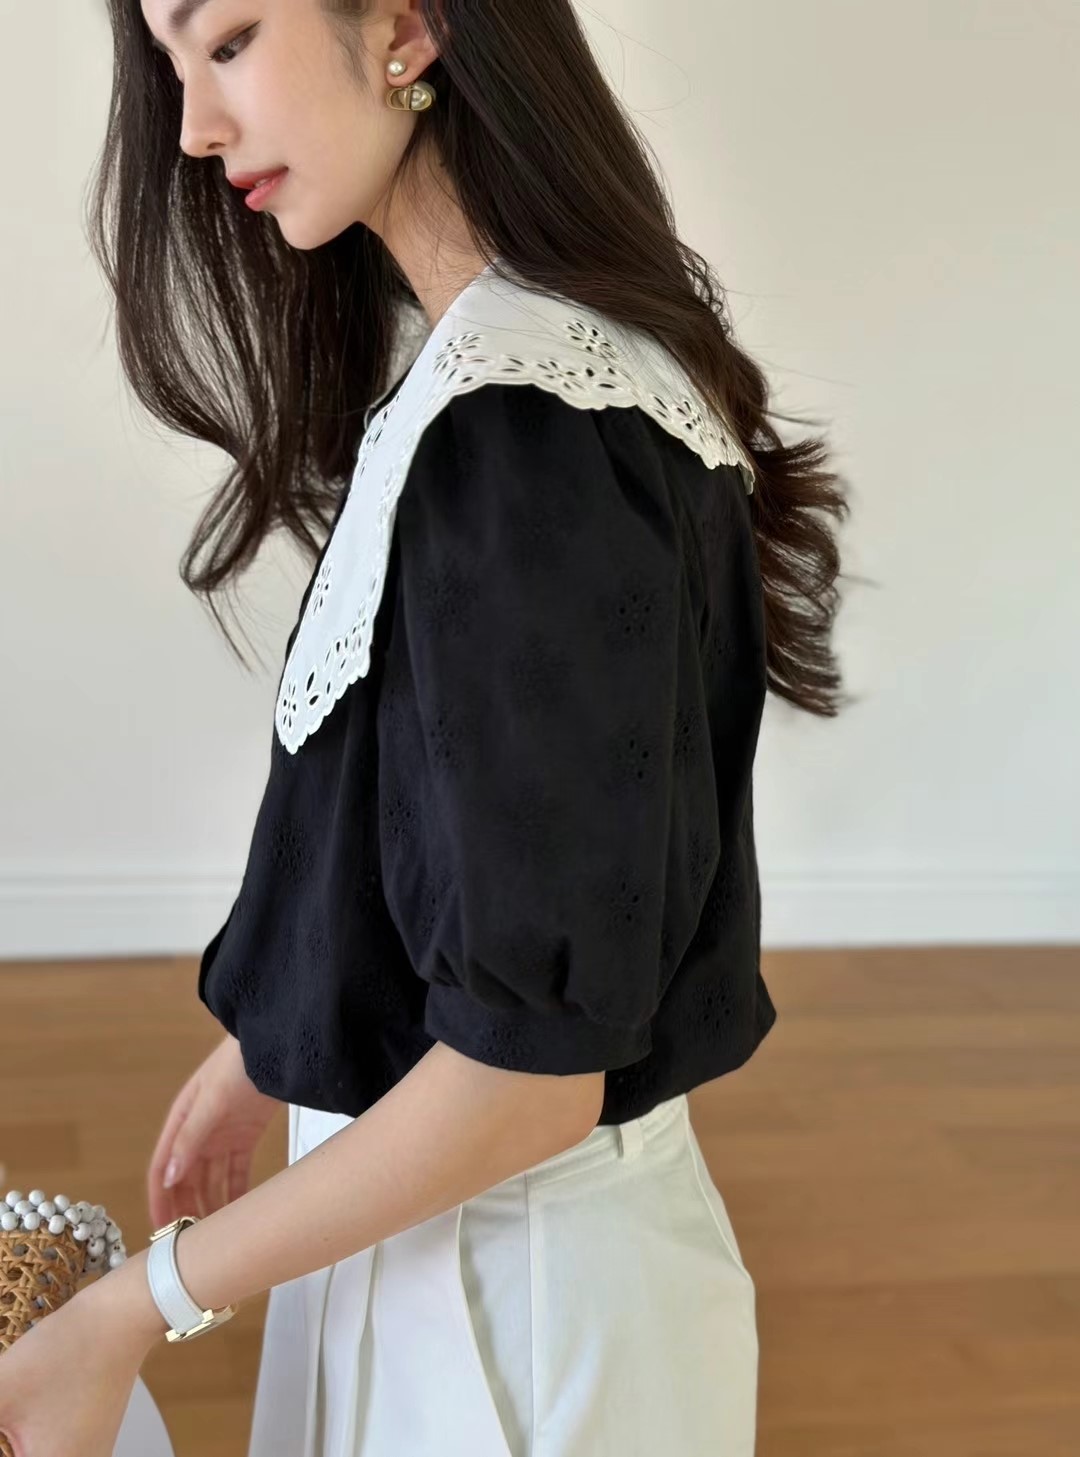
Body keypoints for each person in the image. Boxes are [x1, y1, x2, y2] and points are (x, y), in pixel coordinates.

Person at [0, 2, 851, 1455]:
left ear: (407, 23)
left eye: (229, 38)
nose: (194, 127)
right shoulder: (504, 372)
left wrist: (134, 1307)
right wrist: (274, 1041)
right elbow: (449, 836)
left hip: (508, 1322)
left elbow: (526, 1076)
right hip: (448, 1249)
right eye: (172, 65)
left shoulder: (526, 435)